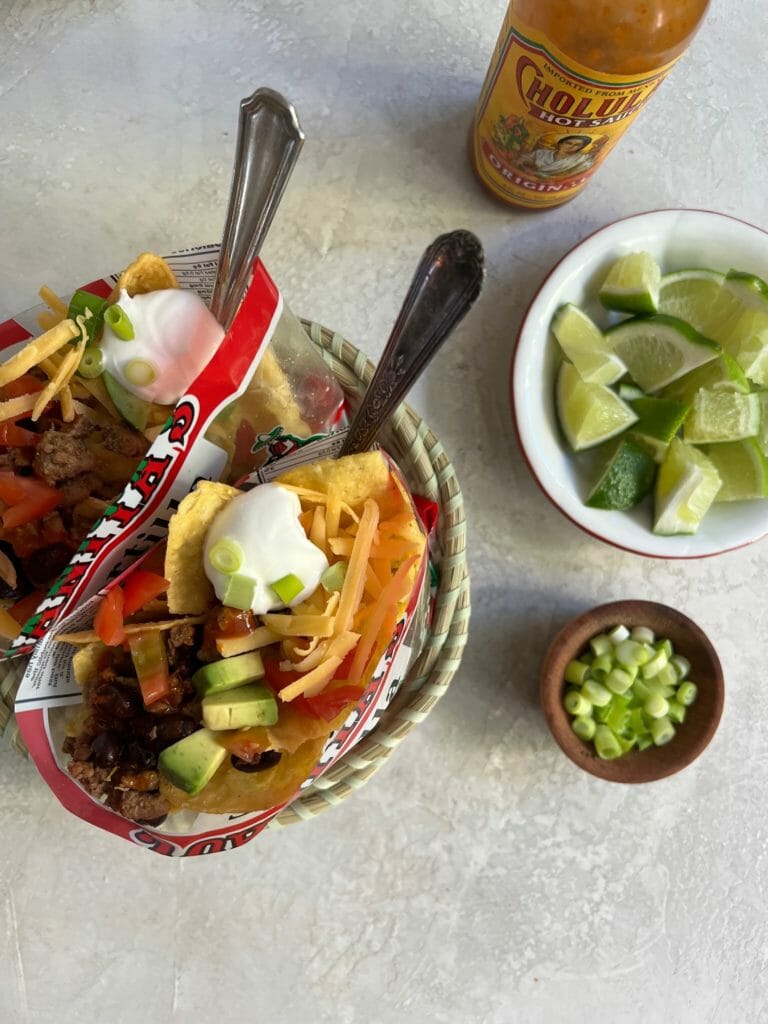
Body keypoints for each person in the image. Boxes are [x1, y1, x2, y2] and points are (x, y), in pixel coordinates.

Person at [515, 134, 594, 179]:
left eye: (577, 145)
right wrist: (520, 161)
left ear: (581, 147)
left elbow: (575, 176)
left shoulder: (581, 160)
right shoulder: (542, 153)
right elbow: (527, 158)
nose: (572, 146)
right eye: (568, 143)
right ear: (560, 144)